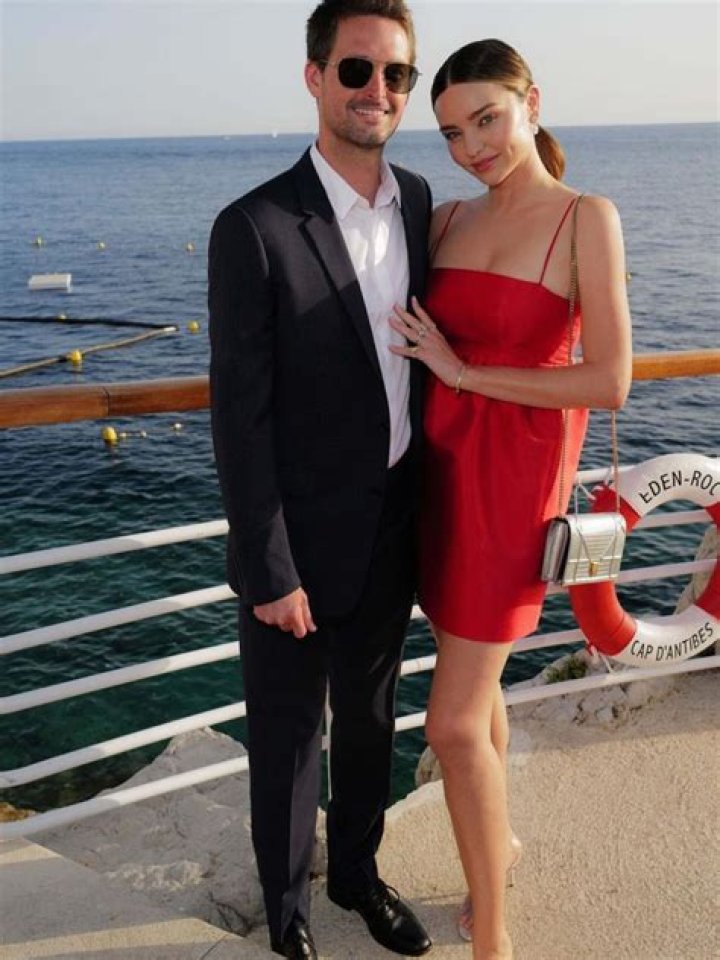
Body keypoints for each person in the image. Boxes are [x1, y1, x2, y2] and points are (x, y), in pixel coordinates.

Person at [388, 39, 632, 960]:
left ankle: (493, 934)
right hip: (437, 482)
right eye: (453, 133)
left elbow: (609, 380)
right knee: (475, 685)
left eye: (487, 119)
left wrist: (462, 371)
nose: (473, 147)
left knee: (450, 722)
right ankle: (500, 849)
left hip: (512, 492)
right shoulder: (446, 219)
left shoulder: (584, 218)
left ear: (532, 103)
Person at [208, 2, 433, 958]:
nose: (376, 90)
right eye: (355, 69)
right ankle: (288, 914)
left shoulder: (418, 200)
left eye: (396, 74)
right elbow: (240, 419)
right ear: (314, 77)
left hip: (392, 527)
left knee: (373, 723)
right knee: (289, 738)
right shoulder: (253, 227)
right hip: (295, 548)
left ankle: (356, 877)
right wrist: (269, 570)